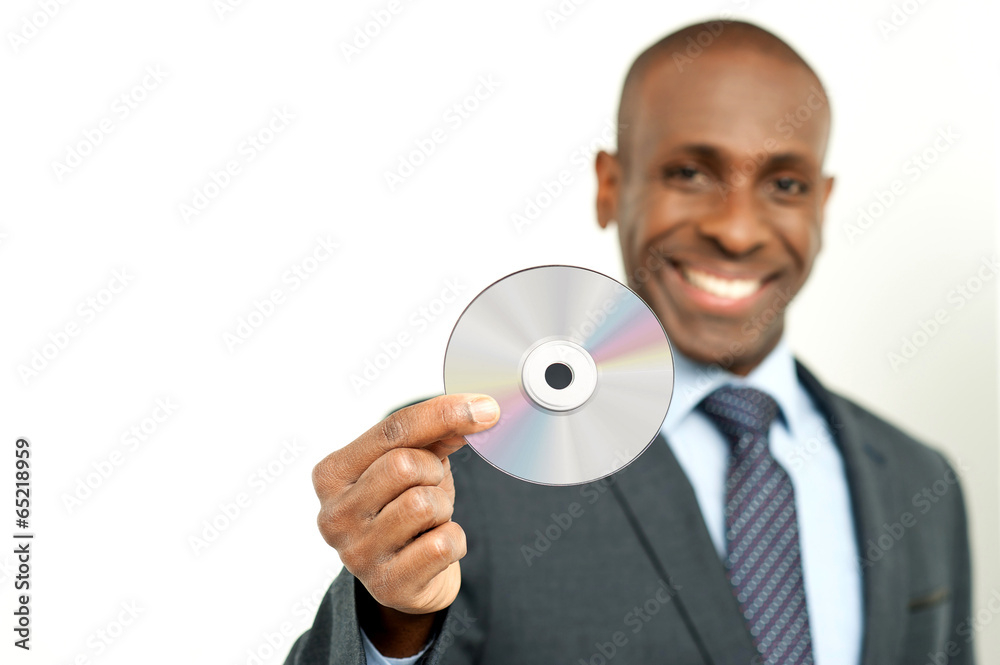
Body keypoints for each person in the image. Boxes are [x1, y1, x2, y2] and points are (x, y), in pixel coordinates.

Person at [285, 20, 974, 665]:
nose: (736, 230)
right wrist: (391, 623)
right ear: (610, 187)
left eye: (785, 184)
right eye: (690, 173)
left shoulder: (921, 483)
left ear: (821, 205)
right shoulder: (464, 461)